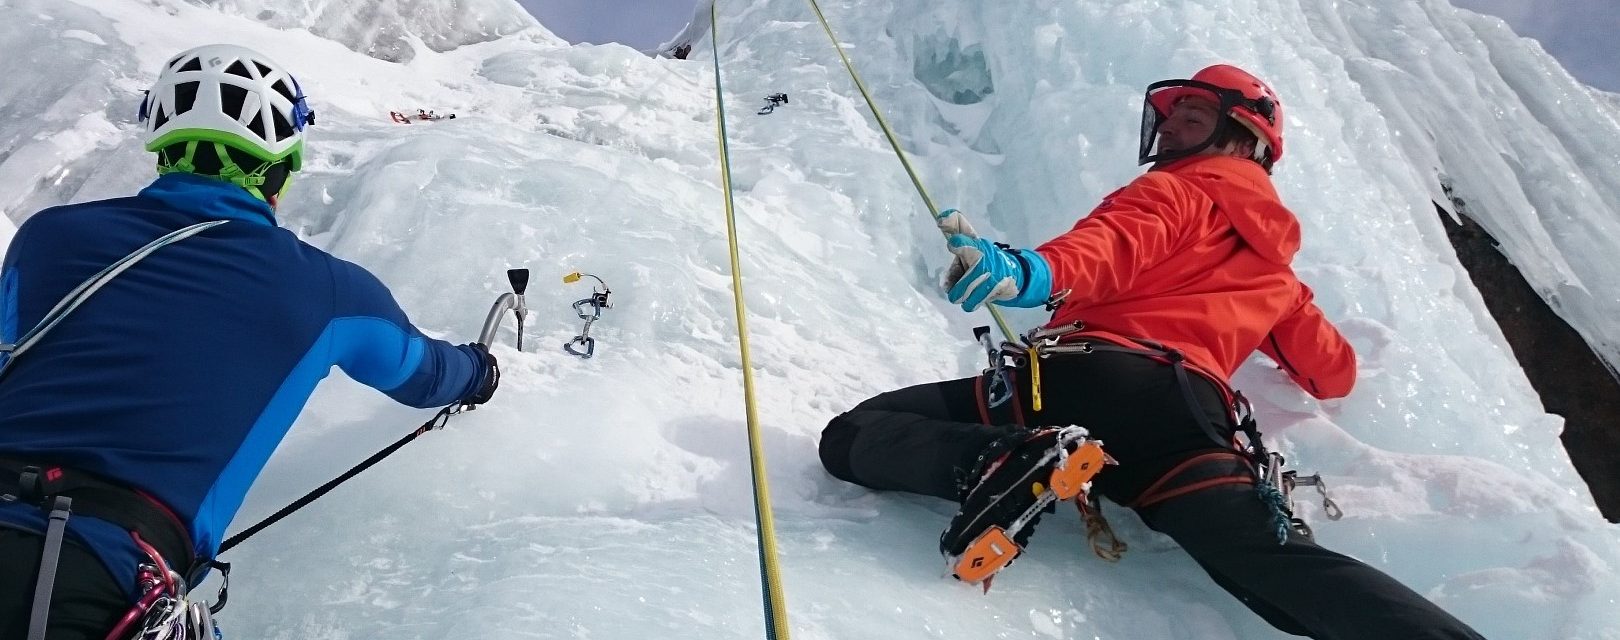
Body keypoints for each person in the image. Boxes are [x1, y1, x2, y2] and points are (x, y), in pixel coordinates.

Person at [818, 64, 1486, 639]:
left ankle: (1011, 459)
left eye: (1192, 118)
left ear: (1245, 138)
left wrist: (1029, 275)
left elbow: (1110, 247)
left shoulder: (1175, 190)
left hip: (1080, 379)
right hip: (1183, 424)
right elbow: (1332, 373)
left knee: (855, 435)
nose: (1169, 131)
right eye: (1171, 119)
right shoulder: (1281, 277)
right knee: (1273, 563)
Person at [0, 44, 499, 639]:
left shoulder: (46, 237)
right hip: (103, 579)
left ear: (162, 145)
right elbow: (422, 373)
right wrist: (481, 373)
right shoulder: (325, 290)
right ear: (282, 166)